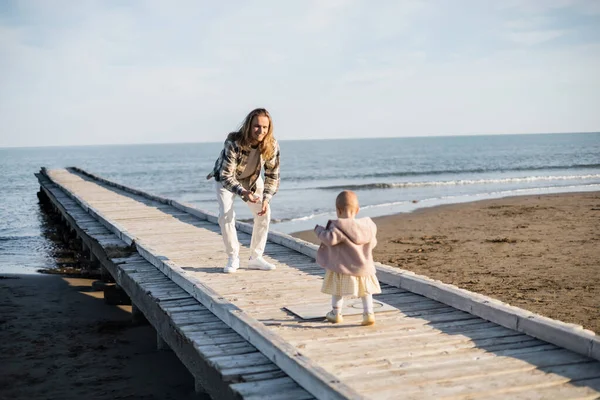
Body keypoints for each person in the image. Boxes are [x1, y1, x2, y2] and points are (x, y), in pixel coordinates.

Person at [207, 108, 280, 273]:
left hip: (251, 180)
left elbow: (272, 175)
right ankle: (233, 257)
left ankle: (256, 258)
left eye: (264, 127)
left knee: (264, 213)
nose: (260, 131)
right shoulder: (234, 142)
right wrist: (243, 192)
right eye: (256, 126)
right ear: (249, 125)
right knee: (226, 214)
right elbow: (226, 176)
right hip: (226, 180)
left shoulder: (272, 145)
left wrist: (266, 199)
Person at [314, 190, 381, 326]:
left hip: (342, 267)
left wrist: (319, 230)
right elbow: (373, 243)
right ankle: (368, 313)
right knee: (366, 291)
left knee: (337, 291)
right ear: (357, 210)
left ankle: (336, 313)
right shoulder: (367, 227)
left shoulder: (337, 227)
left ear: (338, 210)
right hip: (363, 267)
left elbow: (329, 239)